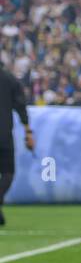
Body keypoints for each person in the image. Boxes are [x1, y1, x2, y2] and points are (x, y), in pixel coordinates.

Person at [0, 59, 34, 226]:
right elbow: (21, 106)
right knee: (8, 173)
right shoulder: (10, 80)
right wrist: (28, 131)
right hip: (4, 134)